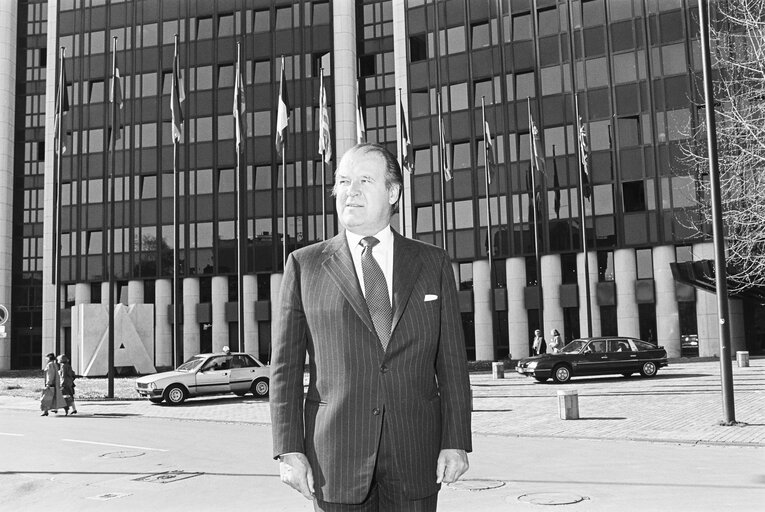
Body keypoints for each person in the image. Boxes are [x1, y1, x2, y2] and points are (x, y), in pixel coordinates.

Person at [270, 143, 472, 511]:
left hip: (416, 452)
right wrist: (288, 449)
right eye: (344, 181)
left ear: (393, 192)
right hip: (335, 459)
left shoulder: (433, 263)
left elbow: (453, 365)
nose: (351, 191)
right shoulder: (305, 266)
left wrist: (455, 440)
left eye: (365, 180)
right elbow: (284, 369)